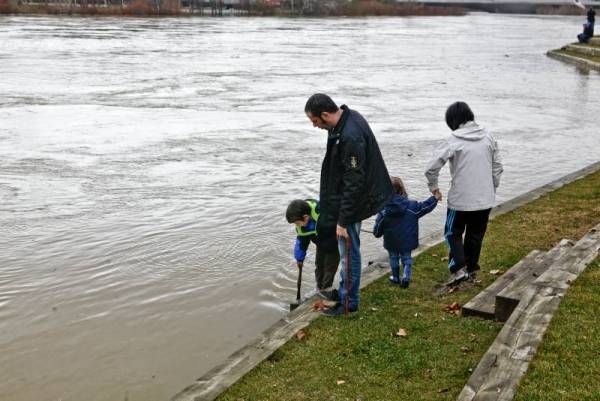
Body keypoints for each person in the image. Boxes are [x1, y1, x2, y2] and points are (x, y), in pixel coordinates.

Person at [304, 93, 393, 316]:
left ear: (325, 115)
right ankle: (344, 291)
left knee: (349, 253)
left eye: (315, 121)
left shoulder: (350, 135)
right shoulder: (344, 121)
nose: (315, 126)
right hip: (350, 201)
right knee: (347, 250)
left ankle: (348, 304)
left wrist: (343, 220)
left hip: (355, 203)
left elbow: (354, 182)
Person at [425, 101, 503, 286]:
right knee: (476, 234)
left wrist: (434, 188)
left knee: (453, 233)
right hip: (485, 199)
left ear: (452, 121)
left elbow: (431, 168)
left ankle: (459, 269)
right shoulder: (489, 137)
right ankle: (471, 269)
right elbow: (498, 167)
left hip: (460, 199)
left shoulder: (452, 140)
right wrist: (491, 187)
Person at [373, 176, 440, 288]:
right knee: (406, 258)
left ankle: (395, 278)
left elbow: (378, 227)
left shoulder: (383, 210)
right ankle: (406, 277)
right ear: (402, 189)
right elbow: (425, 207)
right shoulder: (412, 206)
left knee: (393, 258)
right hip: (407, 241)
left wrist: (376, 233)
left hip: (391, 241)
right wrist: (435, 198)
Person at [285, 198, 340, 300]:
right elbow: (301, 243)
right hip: (320, 244)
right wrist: (299, 259)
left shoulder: (322, 213)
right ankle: (319, 288)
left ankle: (326, 290)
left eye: (297, 223)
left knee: (329, 268)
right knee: (319, 266)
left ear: (305, 217)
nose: (297, 225)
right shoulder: (303, 227)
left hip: (334, 244)